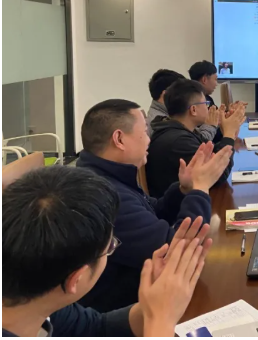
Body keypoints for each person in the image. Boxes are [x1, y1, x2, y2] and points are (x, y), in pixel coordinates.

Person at [2, 165, 212, 337]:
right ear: (76, 278)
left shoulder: (38, 296)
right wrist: (161, 321)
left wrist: (155, 304)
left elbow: (96, 329)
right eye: (110, 246)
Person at [75, 98, 233, 312]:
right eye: (144, 132)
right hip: (123, 313)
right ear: (119, 139)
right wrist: (200, 188)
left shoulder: (104, 174)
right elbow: (178, 254)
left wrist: (184, 189)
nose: (149, 139)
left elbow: (152, 212)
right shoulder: (102, 195)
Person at [146, 79, 245, 198]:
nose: (208, 107)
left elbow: (211, 154)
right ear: (193, 110)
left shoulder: (180, 130)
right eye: (205, 104)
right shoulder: (178, 141)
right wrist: (229, 134)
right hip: (182, 206)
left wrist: (228, 134)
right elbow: (218, 175)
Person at [146, 68, 219, 142]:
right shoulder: (157, 123)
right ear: (165, 94)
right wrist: (210, 125)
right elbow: (192, 142)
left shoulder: (166, 115)